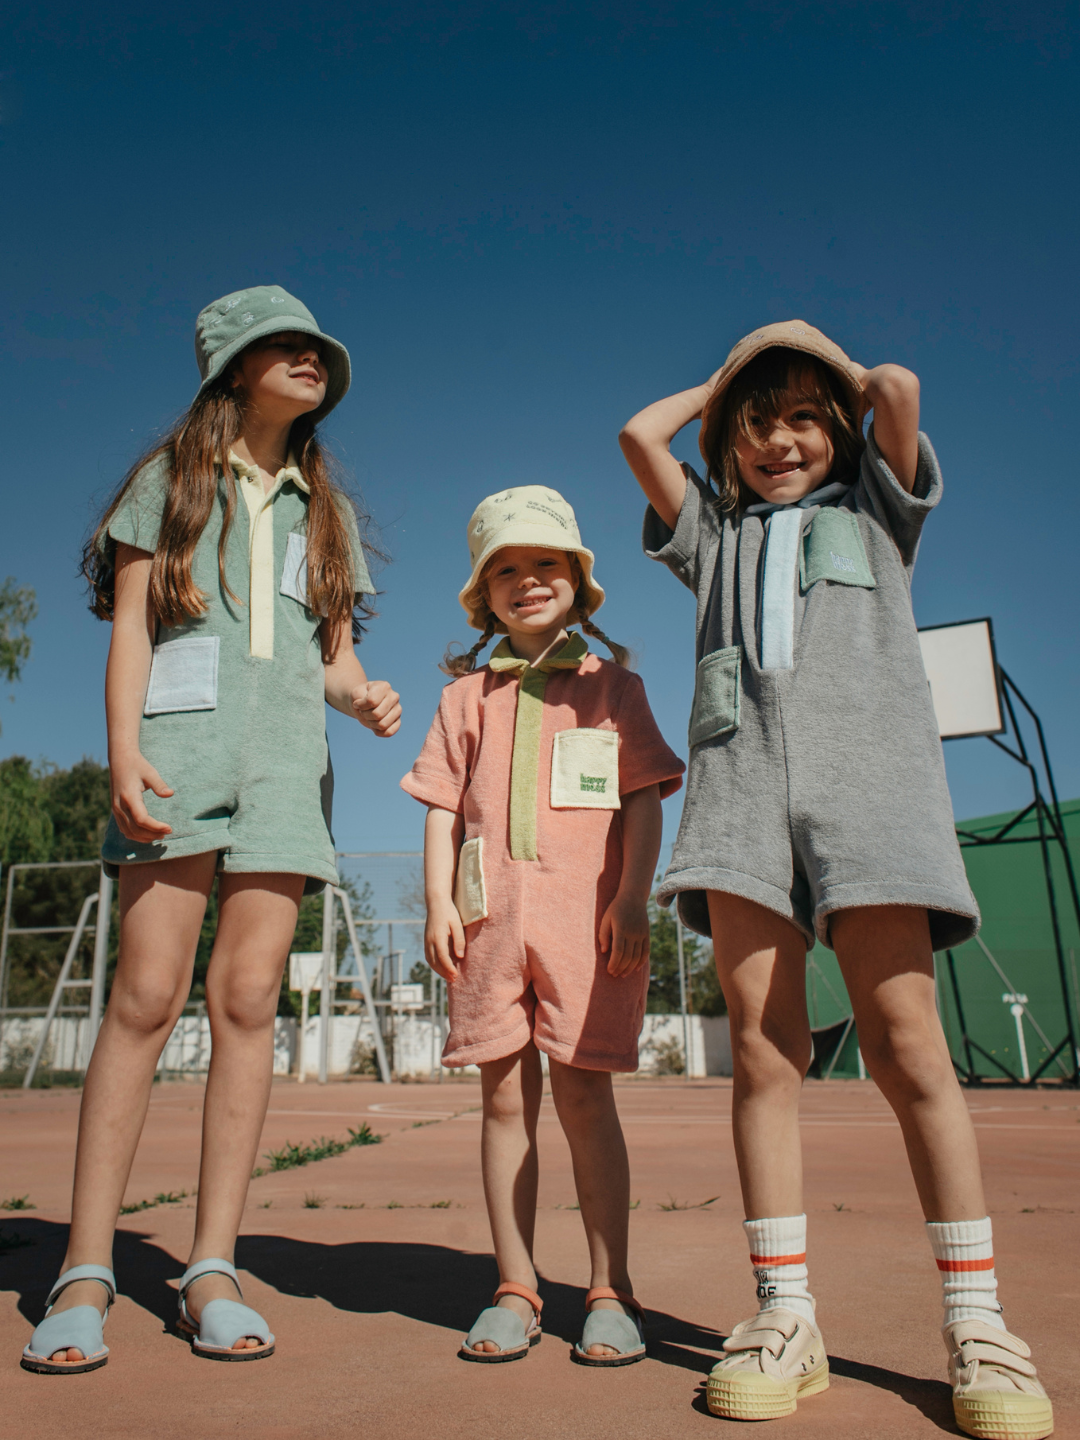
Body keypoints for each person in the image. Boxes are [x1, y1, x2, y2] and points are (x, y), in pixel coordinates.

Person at [618, 321, 1053, 1438]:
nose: (779, 440)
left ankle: (977, 1321)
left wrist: (821, 368)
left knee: (910, 1048)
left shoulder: (876, 512)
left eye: (803, 418)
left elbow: (898, 388)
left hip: (873, 802)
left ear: (840, 432)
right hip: (742, 800)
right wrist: (722, 386)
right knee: (766, 1053)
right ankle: (783, 1314)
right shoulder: (710, 535)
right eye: (757, 425)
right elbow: (636, 434)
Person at [21, 285, 401, 1375]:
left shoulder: (321, 513)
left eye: (317, 348)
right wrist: (122, 750)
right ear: (232, 370)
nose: (308, 359)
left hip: (288, 773)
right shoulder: (167, 484)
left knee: (246, 1004)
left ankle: (211, 1267)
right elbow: (132, 627)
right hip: (178, 762)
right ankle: (85, 1269)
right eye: (283, 347)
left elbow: (330, 657)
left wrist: (363, 695)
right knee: (143, 999)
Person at [402, 487, 684, 1365]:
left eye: (546, 564)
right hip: (490, 929)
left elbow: (641, 803)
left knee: (585, 1096)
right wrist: (442, 900)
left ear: (579, 582)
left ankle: (610, 1289)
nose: (528, 581)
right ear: (484, 595)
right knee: (501, 1098)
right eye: (507, 570)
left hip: (589, 927)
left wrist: (633, 895)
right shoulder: (463, 699)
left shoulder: (616, 691)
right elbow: (441, 809)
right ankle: (516, 1285)